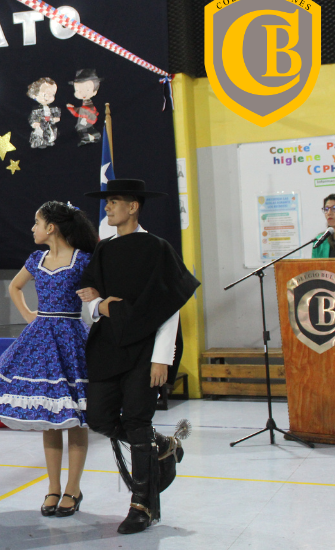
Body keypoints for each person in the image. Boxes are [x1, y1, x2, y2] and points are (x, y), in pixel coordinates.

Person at [76, 179, 197, 534]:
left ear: (133, 207)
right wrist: (101, 306)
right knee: (98, 416)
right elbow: (89, 302)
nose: (108, 207)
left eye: (114, 201)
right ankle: (164, 445)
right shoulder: (104, 249)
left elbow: (169, 307)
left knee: (137, 422)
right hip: (107, 346)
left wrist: (162, 357)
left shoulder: (157, 248)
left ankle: (142, 504)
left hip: (146, 351)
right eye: (107, 202)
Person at [0, 201, 98, 517]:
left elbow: (101, 292)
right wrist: (29, 314)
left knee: (75, 416)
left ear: (51, 227)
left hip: (70, 338)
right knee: (48, 416)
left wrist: (94, 295)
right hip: (41, 339)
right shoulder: (36, 259)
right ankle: (53, 487)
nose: (32, 228)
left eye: (36, 222)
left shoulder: (83, 260)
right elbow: (15, 287)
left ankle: (73, 487)